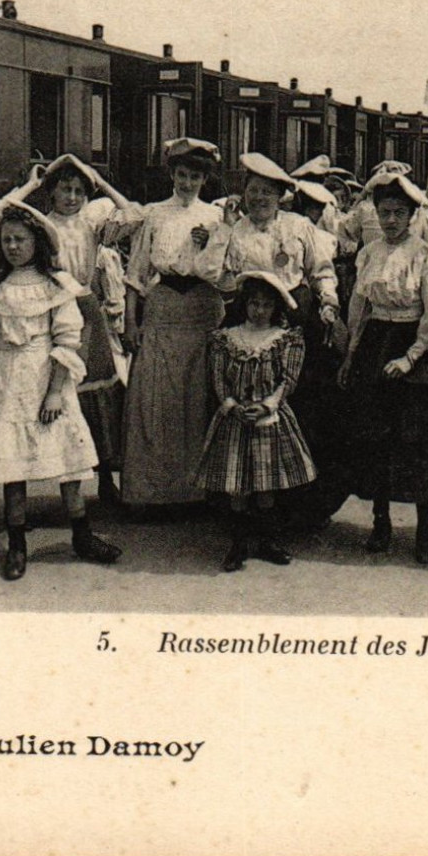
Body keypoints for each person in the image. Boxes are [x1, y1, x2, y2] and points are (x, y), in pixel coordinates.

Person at [0, 203, 120, 582]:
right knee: (13, 460)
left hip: (46, 375)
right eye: (6, 239)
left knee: (66, 457)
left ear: (36, 242)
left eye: (20, 239)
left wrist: (56, 392)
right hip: (7, 378)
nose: (12, 246)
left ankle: (81, 535)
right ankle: (16, 545)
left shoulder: (55, 285)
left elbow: (67, 340)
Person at [198, 152, 344, 528]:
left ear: (282, 196)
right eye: (253, 190)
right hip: (248, 319)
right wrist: (225, 229)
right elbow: (211, 272)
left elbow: (321, 271)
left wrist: (328, 302)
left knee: (300, 409)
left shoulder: (298, 227)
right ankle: (243, 509)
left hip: (296, 321)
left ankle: (299, 508)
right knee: (242, 408)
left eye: (267, 191)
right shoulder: (234, 229)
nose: (259, 198)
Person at [0, 154, 143, 505]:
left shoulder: (91, 223)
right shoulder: (42, 226)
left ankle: (105, 479)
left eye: (78, 191)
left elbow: (135, 215)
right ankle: (55, 480)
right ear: (52, 193)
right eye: (65, 190)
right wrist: (32, 182)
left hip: (86, 309)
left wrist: (100, 182)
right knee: (53, 391)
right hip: (52, 308)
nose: (72, 197)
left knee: (97, 396)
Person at [336, 171, 428, 564]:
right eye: (384, 212)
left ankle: (423, 530)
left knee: (417, 442)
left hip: (414, 350)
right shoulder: (369, 253)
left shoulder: (425, 254)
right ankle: (380, 521)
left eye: (398, 213)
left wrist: (410, 356)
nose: (390, 220)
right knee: (377, 438)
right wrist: (352, 354)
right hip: (375, 345)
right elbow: (359, 308)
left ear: (411, 215)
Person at [120, 137, 225, 509]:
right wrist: (130, 324)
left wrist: (211, 243)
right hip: (163, 308)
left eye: (195, 177)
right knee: (157, 399)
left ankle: (198, 493)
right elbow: (135, 273)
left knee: (198, 398)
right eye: (181, 175)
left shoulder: (215, 217)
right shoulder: (154, 214)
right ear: (171, 174)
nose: (187, 183)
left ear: (204, 179)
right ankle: (153, 493)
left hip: (202, 308)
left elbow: (225, 273)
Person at [193, 272, 314, 572]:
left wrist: (267, 405)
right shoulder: (227, 339)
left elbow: (287, 380)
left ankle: (266, 541)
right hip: (235, 419)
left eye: (266, 305)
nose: (259, 310)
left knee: (265, 485)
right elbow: (218, 378)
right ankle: (238, 543)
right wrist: (231, 405)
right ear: (245, 304)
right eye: (254, 303)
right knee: (237, 486)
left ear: (276, 308)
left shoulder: (284, 339)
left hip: (269, 417)